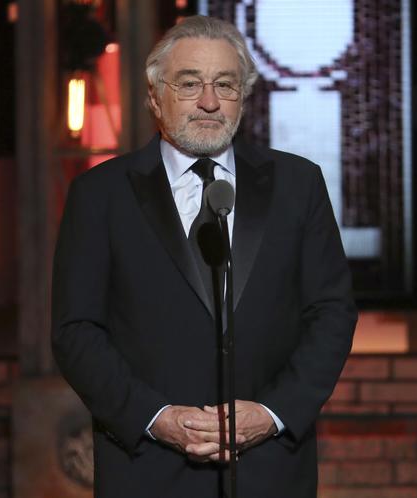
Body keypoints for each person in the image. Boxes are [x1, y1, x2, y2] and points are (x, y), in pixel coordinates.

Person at [52, 15, 357, 498]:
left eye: (225, 85)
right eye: (189, 84)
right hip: (148, 471)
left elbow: (332, 313)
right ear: (155, 97)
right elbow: (76, 331)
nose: (210, 102)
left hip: (269, 470)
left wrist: (272, 413)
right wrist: (156, 419)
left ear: (243, 96)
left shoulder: (299, 186)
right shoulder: (99, 196)